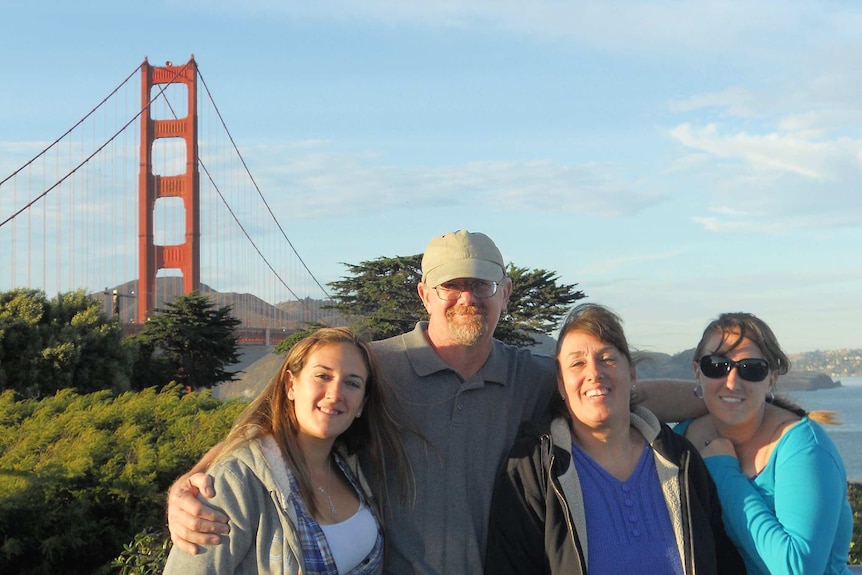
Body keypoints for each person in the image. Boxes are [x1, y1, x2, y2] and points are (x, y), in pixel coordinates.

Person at [166, 230, 701, 574]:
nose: (468, 297)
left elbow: (618, 394)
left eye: (483, 285)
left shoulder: (533, 376)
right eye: (451, 286)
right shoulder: (371, 367)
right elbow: (277, 422)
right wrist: (193, 483)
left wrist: (731, 399)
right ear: (425, 294)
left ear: (505, 294)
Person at [485, 303, 744, 574]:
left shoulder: (681, 459)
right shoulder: (533, 472)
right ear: (561, 384)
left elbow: (724, 559)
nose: (594, 374)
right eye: (577, 363)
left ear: (631, 374)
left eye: (607, 358)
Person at [162, 326, 413, 575]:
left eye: (352, 383)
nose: (335, 393)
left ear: (361, 405)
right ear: (290, 385)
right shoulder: (237, 482)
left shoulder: (353, 465)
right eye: (323, 376)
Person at [675, 312, 853, 575]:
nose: (732, 382)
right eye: (716, 366)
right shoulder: (682, 438)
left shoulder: (803, 448)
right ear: (697, 372)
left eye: (751, 369)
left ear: (771, 377)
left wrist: (724, 472)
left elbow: (796, 568)